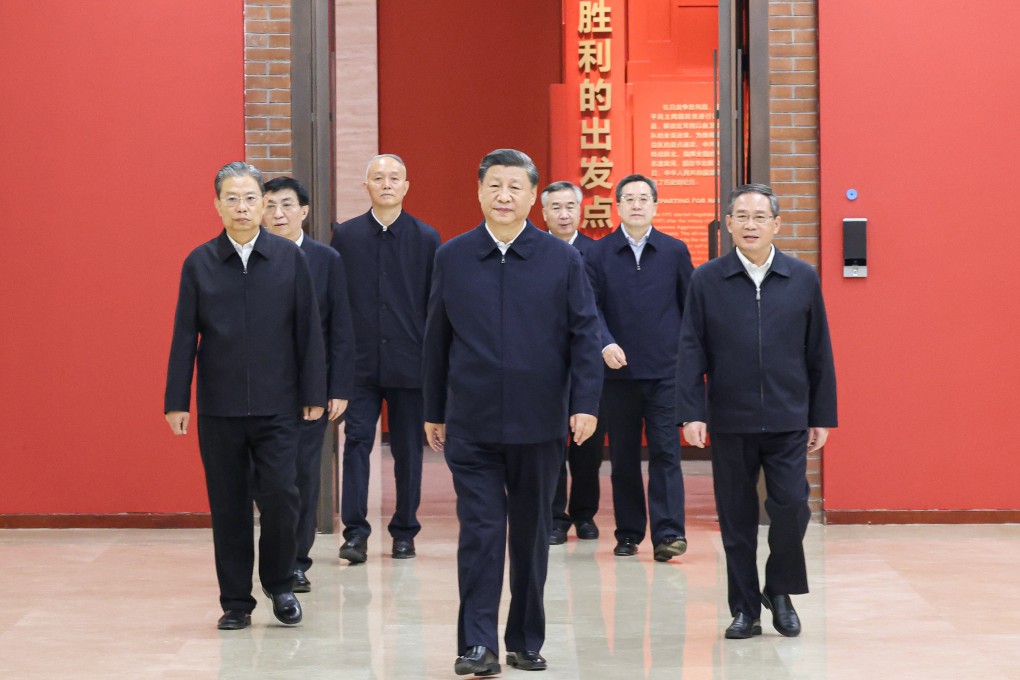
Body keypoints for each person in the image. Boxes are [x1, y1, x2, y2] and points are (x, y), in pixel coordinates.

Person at [423, 149, 603, 675]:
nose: (504, 196)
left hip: (539, 422)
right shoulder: (452, 256)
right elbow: (437, 339)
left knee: (529, 535)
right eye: (494, 185)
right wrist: (435, 408)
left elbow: (584, 333)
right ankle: (477, 644)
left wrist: (585, 403)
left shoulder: (561, 258)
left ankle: (524, 639)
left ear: (532, 197)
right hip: (472, 423)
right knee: (480, 532)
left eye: (515, 187)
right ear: (478, 191)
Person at [164, 161, 327, 630]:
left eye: (251, 198)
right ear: (217, 204)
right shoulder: (199, 262)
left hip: (279, 406)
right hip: (220, 407)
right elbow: (183, 335)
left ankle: (279, 584)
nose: (242, 207)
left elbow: (308, 331)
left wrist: (314, 390)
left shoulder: (289, 259)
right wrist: (178, 400)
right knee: (229, 505)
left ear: (264, 204)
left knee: (281, 496)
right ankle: (236, 601)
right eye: (232, 198)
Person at [676, 183, 837, 639]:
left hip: (788, 417)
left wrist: (821, 414)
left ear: (776, 225)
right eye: (741, 216)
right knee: (737, 518)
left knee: (792, 507)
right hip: (730, 418)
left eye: (760, 217)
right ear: (727, 223)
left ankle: (779, 589)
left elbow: (819, 351)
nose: (750, 224)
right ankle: (745, 608)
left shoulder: (802, 278)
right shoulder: (706, 279)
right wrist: (691, 412)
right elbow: (691, 349)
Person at [330, 154, 441, 563]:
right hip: (359, 365)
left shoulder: (428, 238)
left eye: (395, 177)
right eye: (378, 178)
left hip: (410, 365)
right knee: (357, 443)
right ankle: (355, 533)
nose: (387, 184)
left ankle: (405, 531)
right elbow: (336, 304)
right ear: (367, 187)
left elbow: (436, 306)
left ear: (407, 186)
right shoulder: (346, 237)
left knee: (409, 450)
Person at [585, 174, 693, 561]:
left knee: (666, 453)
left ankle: (669, 534)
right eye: (628, 198)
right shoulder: (597, 254)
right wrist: (605, 342)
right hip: (618, 374)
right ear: (617, 206)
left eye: (643, 198)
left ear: (655, 206)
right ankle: (629, 532)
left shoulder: (674, 251)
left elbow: (689, 309)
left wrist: (687, 361)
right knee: (625, 457)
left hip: (666, 372)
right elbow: (589, 308)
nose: (636, 204)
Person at [262, 176, 355, 592]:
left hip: (309, 390)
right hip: (263, 389)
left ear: (304, 211)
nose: (277, 214)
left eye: (286, 205)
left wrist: (336, 387)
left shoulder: (326, 259)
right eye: (269, 206)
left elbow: (341, 329)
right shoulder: (254, 257)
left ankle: (296, 561)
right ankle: (274, 556)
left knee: (300, 477)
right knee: (267, 481)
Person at [540, 180, 605, 545]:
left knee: (588, 447)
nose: (564, 214)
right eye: (556, 208)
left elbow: (603, 310)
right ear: (544, 212)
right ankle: (554, 515)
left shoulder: (597, 253)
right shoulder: (536, 251)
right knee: (551, 444)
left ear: (580, 211)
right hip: (548, 365)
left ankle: (584, 513)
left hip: (588, 363)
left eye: (570, 207)